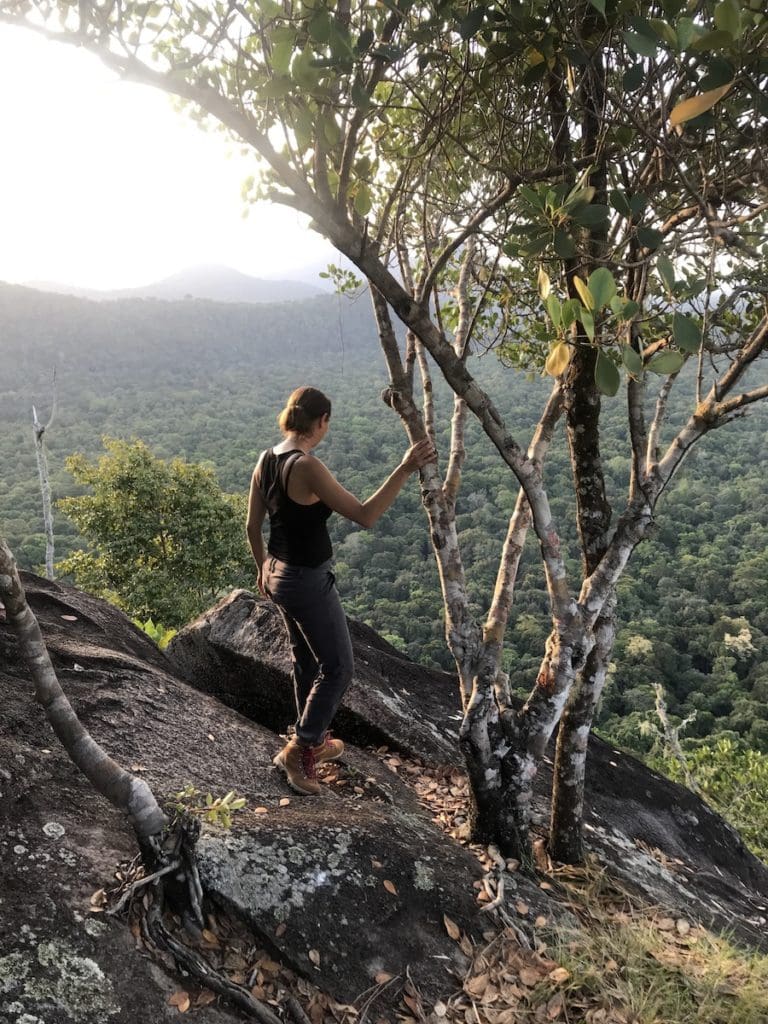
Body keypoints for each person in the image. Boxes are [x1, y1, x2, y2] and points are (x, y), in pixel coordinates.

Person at [246, 385, 435, 795]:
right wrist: (404, 467)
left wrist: (263, 565)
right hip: (306, 580)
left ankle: (309, 737)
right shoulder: (307, 466)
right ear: (322, 422)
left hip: (278, 575)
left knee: (306, 662)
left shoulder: (266, 460)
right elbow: (365, 515)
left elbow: (252, 526)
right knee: (339, 667)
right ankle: (299, 751)